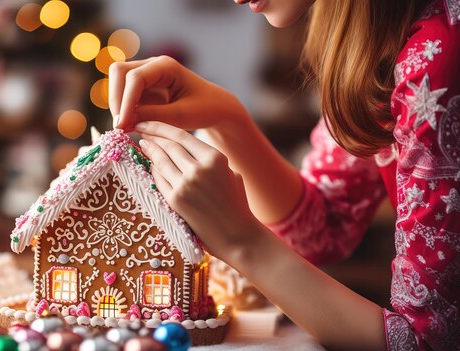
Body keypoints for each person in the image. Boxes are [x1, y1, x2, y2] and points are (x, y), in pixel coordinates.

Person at [107, 0, 460, 350]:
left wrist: (241, 242)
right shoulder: (368, 33)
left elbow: (426, 342)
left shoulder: (439, 54)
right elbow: (322, 226)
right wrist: (227, 120)